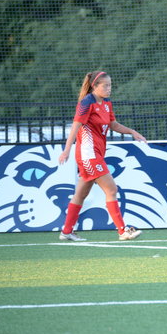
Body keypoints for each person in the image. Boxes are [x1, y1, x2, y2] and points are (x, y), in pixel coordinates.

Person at [58, 71, 147, 242]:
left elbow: (113, 124)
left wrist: (132, 132)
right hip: (88, 155)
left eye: (110, 85)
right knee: (111, 189)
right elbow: (75, 127)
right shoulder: (86, 103)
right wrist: (66, 150)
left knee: (80, 195)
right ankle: (123, 231)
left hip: (96, 154)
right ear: (94, 86)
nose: (109, 88)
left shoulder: (106, 103)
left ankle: (66, 231)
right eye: (105, 86)